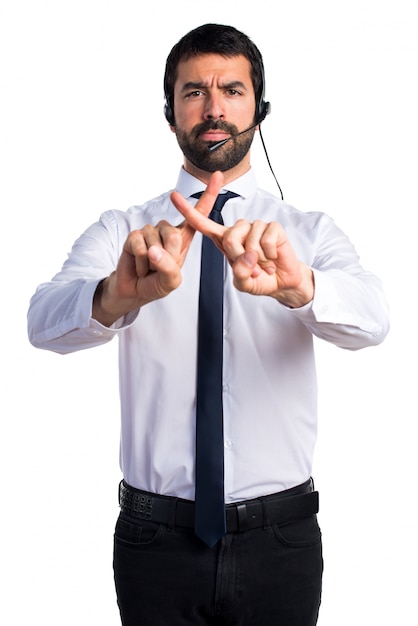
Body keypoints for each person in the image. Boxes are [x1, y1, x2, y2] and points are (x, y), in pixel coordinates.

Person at [27, 23, 389, 626]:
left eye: (233, 90)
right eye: (194, 91)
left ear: (260, 109)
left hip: (283, 540)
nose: (214, 107)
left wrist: (301, 287)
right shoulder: (126, 233)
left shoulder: (305, 234)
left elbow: (374, 319)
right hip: (155, 541)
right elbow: (41, 321)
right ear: (170, 114)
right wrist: (114, 297)